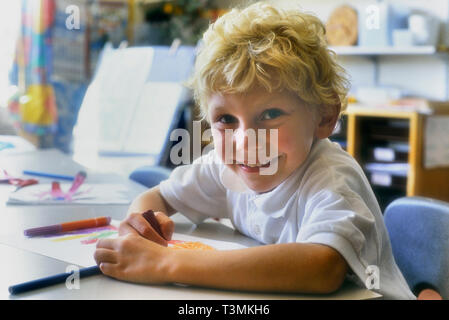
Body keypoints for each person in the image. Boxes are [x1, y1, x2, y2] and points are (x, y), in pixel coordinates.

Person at [94, 1, 415, 299]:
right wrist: (141, 227)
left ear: (324, 117)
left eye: (271, 114)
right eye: (226, 119)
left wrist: (167, 263)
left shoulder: (330, 179)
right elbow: (159, 197)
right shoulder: (227, 168)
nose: (245, 140)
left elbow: (322, 267)